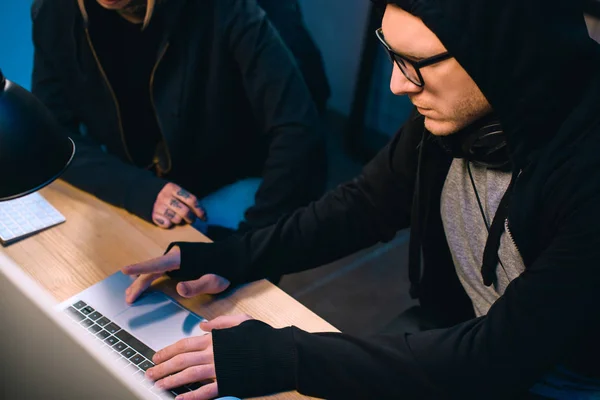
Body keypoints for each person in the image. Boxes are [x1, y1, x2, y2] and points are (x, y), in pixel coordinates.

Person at [121, 0, 600, 399]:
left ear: (499, 53)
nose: (397, 84)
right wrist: (235, 255)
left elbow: (497, 358)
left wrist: (285, 358)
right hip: (460, 338)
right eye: (392, 55)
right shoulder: (466, 114)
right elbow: (363, 205)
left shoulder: (586, 175)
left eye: (416, 64)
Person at [31, 0, 327, 239]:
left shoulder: (226, 9)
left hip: (237, 179)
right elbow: (50, 134)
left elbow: (298, 130)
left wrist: (245, 248)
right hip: (141, 184)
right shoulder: (55, 12)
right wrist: (135, 188)